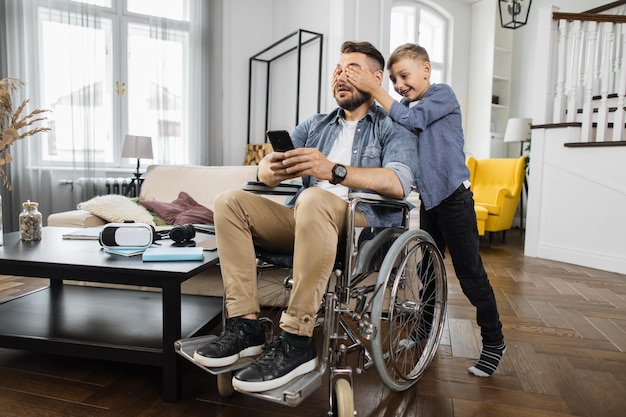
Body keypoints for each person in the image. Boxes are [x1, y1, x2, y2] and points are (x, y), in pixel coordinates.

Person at [192, 41, 418, 393]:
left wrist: (334, 171)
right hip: (304, 220)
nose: (342, 75)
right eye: (338, 69)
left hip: (359, 228)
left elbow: (399, 182)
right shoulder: (316, 124)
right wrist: (273, 166)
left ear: (376, 78)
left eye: (352, 69)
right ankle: (246, 326)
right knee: (229, 201)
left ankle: (297, 341)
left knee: (313, 196)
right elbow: (263, 172)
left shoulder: (392, 124)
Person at [345, 43, 506, 377]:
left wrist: (376, 89)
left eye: (404, 75)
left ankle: (494, 341)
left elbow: (413, 119)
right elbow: (396, 123)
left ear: (426, 70)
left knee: (471, 275)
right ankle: (424, 329)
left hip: (455, 200)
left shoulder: (442, 96)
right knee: (427, 273)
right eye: (392, 79)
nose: (399, 83)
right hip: (430, 201)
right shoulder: (402, 105)